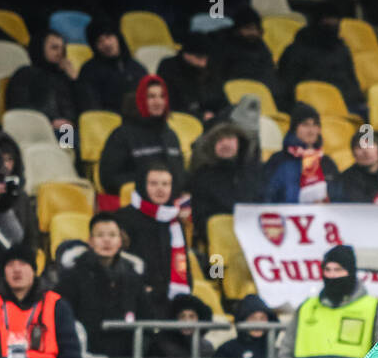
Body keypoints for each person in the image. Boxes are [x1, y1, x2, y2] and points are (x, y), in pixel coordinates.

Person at [53, 212, 156, 358]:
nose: (107, 240)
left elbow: (147, 319)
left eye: (113, 235)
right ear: (90, 241)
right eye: (100, 235)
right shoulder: (73, 277)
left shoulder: (132, 277)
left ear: (120, 241)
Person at [98, 74, 185, 210]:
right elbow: (109, 178)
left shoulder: (171, 135)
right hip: (135, 207)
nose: (158, 102)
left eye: (162, 96)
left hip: (171, 207)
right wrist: (148, 185)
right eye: (151, 97)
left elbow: (179, 174)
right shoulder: (122, 134)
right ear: (140, 100)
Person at [115, 163, 193, 302]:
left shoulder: (175, 220)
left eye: (165, 184)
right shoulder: (123, 218)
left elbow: (183, 264)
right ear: (143, 185)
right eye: (153, 183)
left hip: (171, 299)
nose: (160, 189)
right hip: (137, 297)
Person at [276, 1, 365, 119]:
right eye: (327, 19)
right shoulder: (296, 50)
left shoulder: (342, 49)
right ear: (316, 21)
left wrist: (356, 100)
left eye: (335, 19)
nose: (332, 23)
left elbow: (352, 81)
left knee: (365, 118)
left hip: (346, 105)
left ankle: (368, 137)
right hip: (313, 106)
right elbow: (288, 86)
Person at [186, 121, 264, 252]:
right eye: (220, 140)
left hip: (253, 246)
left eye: (230, 138)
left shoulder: (253, 172)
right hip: (217, 247)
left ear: (239, 142)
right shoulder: (202, 177)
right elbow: (199, 218)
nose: (225, 144)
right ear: (212, 145)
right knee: (216, 272)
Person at [5, 29, 84, 139]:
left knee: (84, 141)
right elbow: (19, 106)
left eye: (62, 49)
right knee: (72, 141)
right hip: (36, 129)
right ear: (40, 48)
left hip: (64, 130)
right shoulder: (25, 74)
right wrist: (51, 120)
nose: (60, 53)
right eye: (54, 48)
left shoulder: (62, 78)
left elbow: (77, 108)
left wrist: (74, 81)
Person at [262, 102, 339, 204]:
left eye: (315, 125)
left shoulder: (327, 162)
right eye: (305, 125)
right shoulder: (278, 160)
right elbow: (266, 196)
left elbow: (340, 198)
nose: (311, 131)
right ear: (294, 129)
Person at [217, 4, 286, 108]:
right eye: (248, 28)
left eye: (256, 29)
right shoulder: (224, 48)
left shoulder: (263, 49)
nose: (253, 33)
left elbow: (271, 79)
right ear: (237, 30)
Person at [77, 17, 147, 114]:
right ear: (94, 47)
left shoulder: (136, 67)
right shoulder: (88, 71)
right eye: (99, 41)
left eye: (109, 37)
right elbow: (91, 108)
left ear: (117, 37)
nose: (106, 44)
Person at [150, 292, 215, 358]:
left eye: (192, 317)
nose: (187, 321)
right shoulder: (160, 344)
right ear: (175, 319)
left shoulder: (206, 347)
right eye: (182, 316)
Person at [214, 293, 277, 358]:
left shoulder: (277, 352)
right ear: (243, 320)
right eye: (252, 318)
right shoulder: (227, 350)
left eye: (262, 318)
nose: (258, 324)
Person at [329, 132, 378, 203]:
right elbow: (364, 206)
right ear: (353, 153)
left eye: (370, 145)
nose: (366, 151)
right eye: (359, 147)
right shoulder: (347, 178)